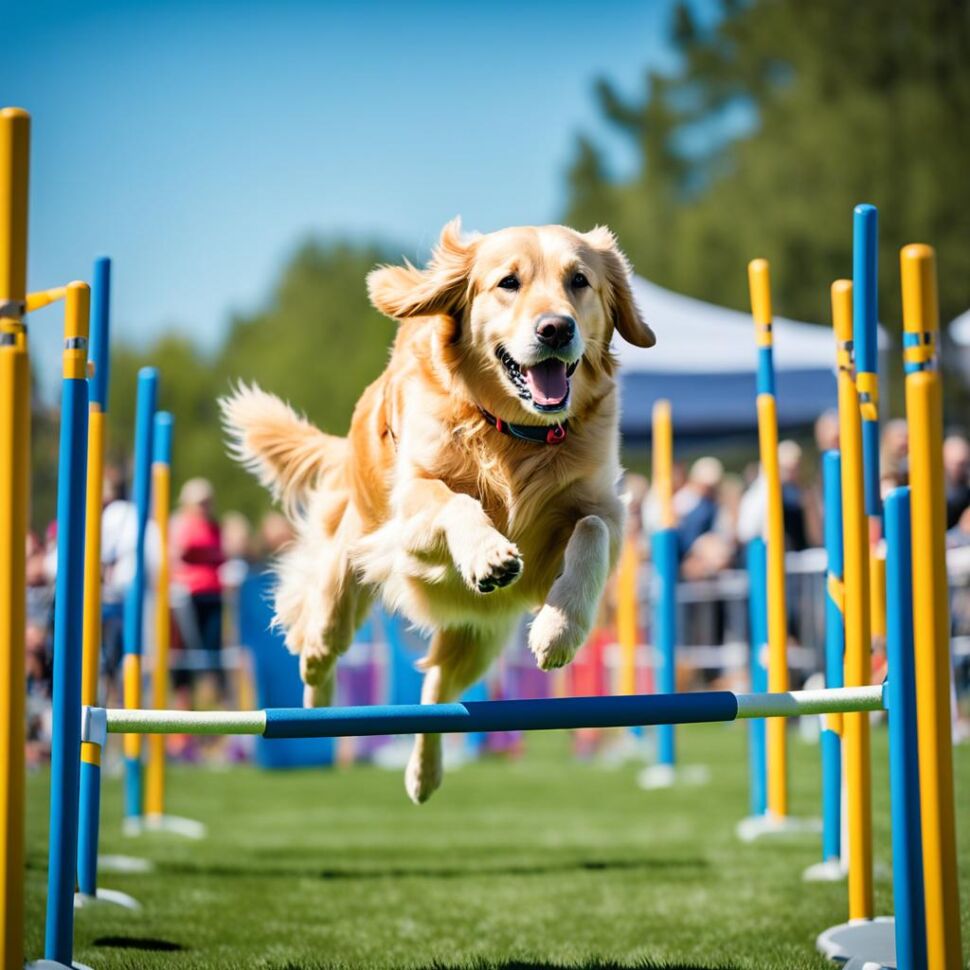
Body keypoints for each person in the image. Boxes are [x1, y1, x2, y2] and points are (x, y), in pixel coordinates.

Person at [170, 477, 226, 704]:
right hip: (185, 596)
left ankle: (213, 703)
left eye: (207, 502)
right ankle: (185, 707)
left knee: (212, 650)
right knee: (186, 652)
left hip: (212, 593)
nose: (205, 507)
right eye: (200, 502)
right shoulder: (179, 524)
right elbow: (175, 555)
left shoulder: (214, 527)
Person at [943, 434, 970, 530]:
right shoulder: (931, 495)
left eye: (963, 464)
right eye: (953, 464)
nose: (958, 469)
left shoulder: (966, 492)